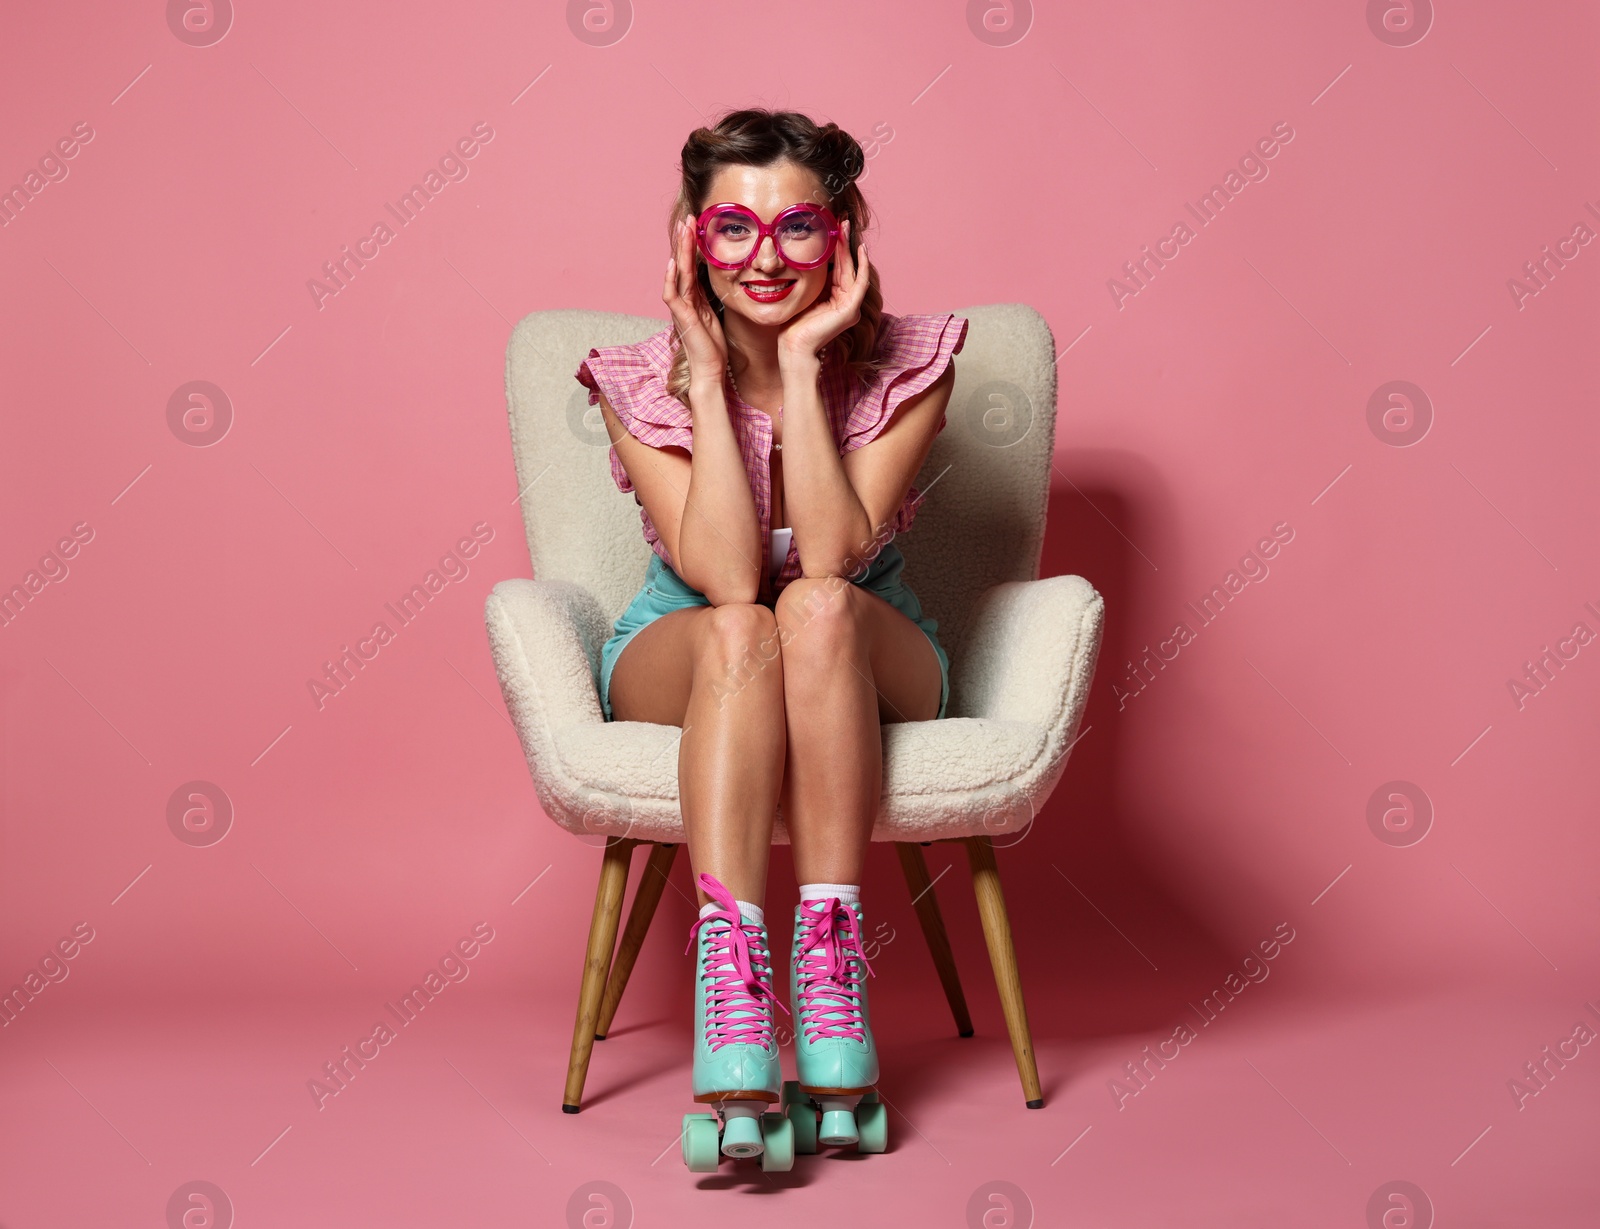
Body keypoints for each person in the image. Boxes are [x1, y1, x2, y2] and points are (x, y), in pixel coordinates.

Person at [573, 107, 967, 1170]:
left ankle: (831, 965)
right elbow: (726, 576)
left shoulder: (910, 364)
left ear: (841, 236)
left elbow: (831, 556)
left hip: (867, 643)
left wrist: (801, 365)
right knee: (749, 617)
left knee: (817, 605)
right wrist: (706, 379)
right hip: (694, 642)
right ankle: (737, 980)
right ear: (691, 240)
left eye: (798, 225)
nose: (765, 256)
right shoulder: (631, 376)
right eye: (732, 229)